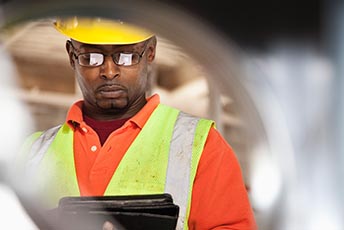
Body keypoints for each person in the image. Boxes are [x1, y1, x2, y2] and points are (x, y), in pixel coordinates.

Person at [18, 16, 257, 230]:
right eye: (92, 57)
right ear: (72, 56)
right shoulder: (31, 155)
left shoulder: (201, 146)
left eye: (126, 56)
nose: (109, 71)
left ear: (150, 52)